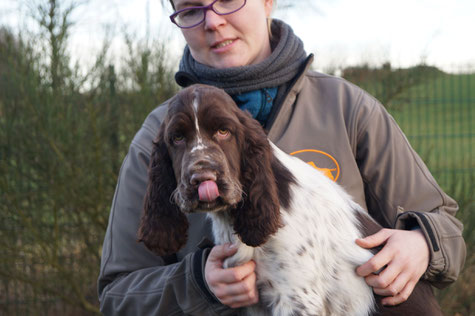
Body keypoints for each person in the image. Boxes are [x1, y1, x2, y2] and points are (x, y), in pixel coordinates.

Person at [97, 0, 466, 314]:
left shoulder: (346, 109)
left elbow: (446, 230)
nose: (213, 20)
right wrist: (195, 285)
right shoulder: (156, 137)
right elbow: (117, 295)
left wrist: (423, 242)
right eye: (191, 9)